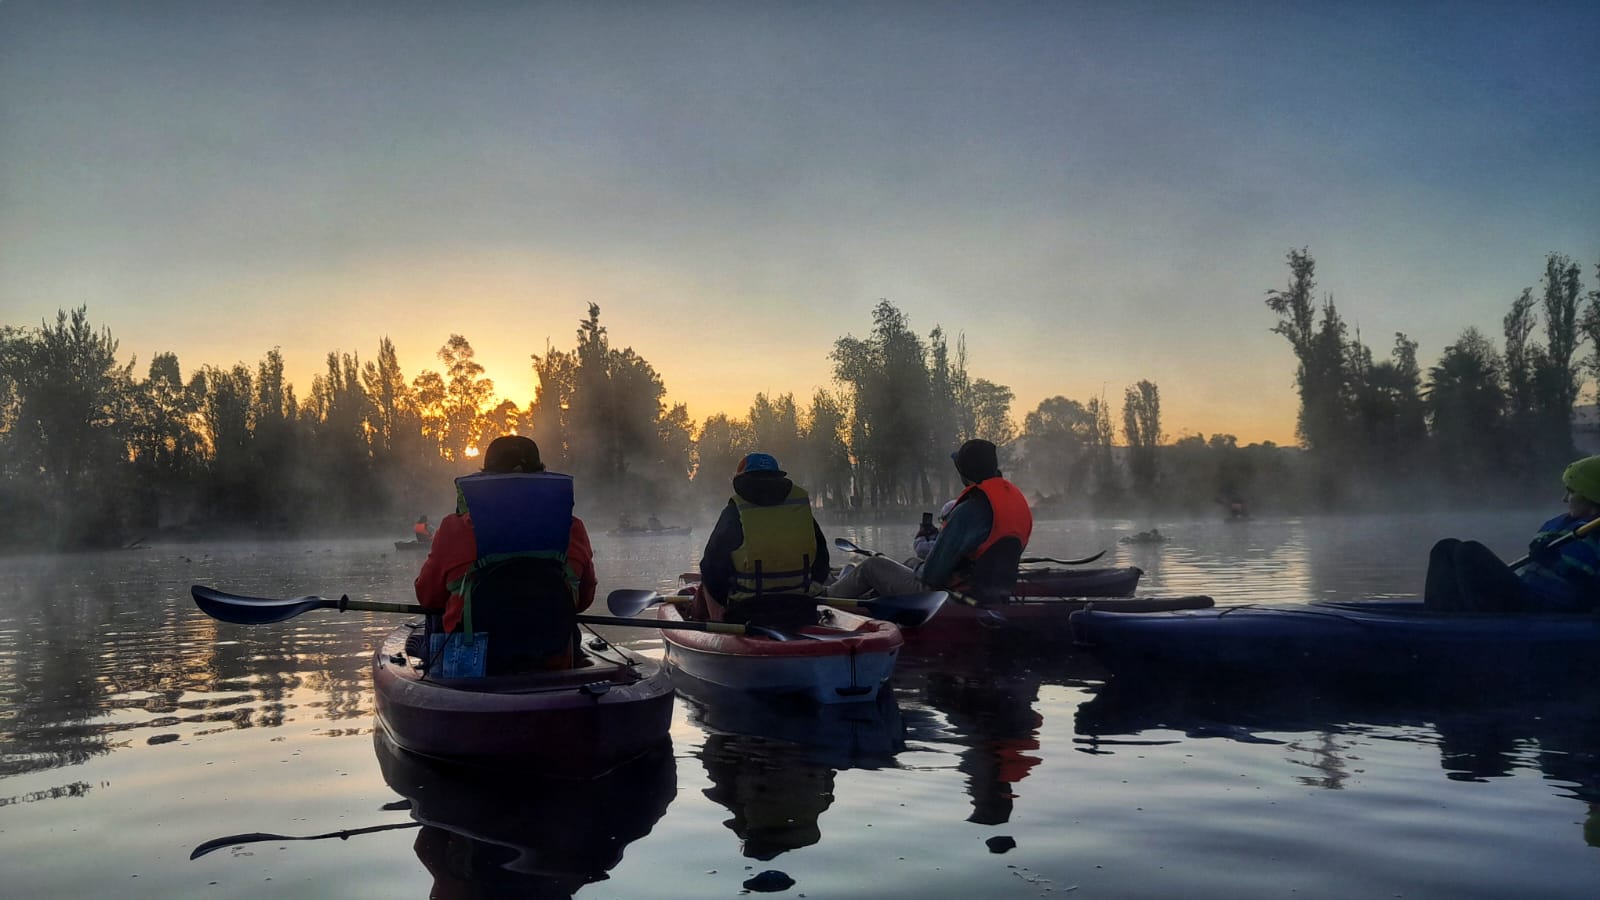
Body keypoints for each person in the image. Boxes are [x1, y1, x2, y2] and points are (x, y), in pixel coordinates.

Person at [415, 435, 597, 672]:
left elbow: (428, 598)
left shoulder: (454, 529)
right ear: (542, 477)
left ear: (486, 478)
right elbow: (583, 601)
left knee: (435, 616)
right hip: (552, 660)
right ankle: (571, 663)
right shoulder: (573, 528)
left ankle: (427, 659)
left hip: (476, 668)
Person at [829, 439, 1034, 606]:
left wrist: (922, 565)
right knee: (911, 562)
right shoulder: (1013, 502)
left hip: (951, 597)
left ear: (964, 474)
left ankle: (823, 599)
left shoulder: (967, 512)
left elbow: (932, 576)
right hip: (993, 590)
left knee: (872, 566)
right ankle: (867, 596)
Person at [1424, 455, 1600, 613]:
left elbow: (1590, 594)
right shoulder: (1560, 523)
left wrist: (1558, 564)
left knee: (1469, 551)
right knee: (1445, 548)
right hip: (1525, 594)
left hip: (1549, 608)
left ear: (1590, 494)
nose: (1565, 499)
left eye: (1571, 492)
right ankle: (1437, 617)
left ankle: (1475, 627)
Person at [695, 452, 831, 625]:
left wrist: (725, 601)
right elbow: (822, 564)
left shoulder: (735, 512)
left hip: (748, 612)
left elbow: (712, 569)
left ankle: (718, 625)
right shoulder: (799, 509)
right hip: (801, 609)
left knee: (706, 575)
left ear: (742, 481)